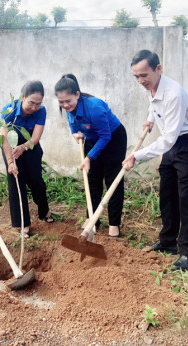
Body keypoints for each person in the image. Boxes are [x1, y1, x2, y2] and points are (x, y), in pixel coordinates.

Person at [123, 50, 188, 271]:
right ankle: (168, 241)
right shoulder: (152, 87)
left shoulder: (174, 94)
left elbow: (169, 139)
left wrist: (136, 155)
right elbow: (154, 106)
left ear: (158, 69)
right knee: (167, 193)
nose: (140, 80)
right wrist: (150, 120)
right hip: (172, 142)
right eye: (136, 77)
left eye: (144, 75)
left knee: (185, 198)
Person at [55, 74, 127, 237]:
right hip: (93, 139)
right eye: (61, 102)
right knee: (92, 179)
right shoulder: (68, 108)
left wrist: (89, 158)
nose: (65, 105)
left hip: (113, 138)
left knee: (112, 180)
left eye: (68, 101)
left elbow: (106, 136)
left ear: (77, 95)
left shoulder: (94, 107)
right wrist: (75, 134)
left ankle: (114, 224)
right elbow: (72, 123)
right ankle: (92, 218)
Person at [1, 81, 54, 239]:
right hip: (10, 145)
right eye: (31, 103)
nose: (34, 108)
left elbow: (36, 137)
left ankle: (44, 210)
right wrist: (10, 162)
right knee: (16, 180)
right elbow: (4, 139)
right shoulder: (8, 111)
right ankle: (23, 223)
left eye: (38, 103)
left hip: (30, 145)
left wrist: (24, 147)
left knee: (36, 181)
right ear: (22, 97)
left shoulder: (41, 111)